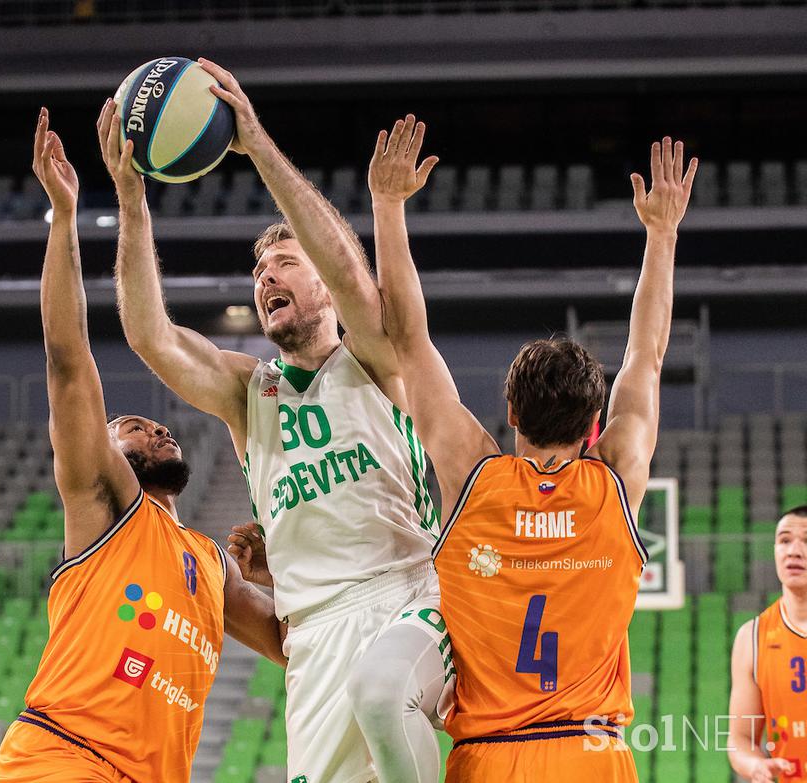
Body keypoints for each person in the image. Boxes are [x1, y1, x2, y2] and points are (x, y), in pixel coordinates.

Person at [100, 61, 453, 783]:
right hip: (313, 634)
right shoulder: (246, 391)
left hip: (408, 593)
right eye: (259, 273)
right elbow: (149, 334)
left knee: (386, 697)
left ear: (320, 280)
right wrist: (131, 195)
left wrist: (257, 145)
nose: (266, 279)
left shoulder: (377, 354)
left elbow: (357, 276)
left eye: (285, 263)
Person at [369, 116, 697, 780]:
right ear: (595, 423)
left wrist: (387, 207)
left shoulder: (473, 474)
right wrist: (661, 235)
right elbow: (648, 355)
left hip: (490, 758)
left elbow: (408, 341)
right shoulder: (617, 478)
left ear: (511, 413)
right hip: (592, 753)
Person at [0, 107, 285, 783]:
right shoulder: (107, 505)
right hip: (64, 758)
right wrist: (66, 218)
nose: (156, 427)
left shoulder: (212, 563)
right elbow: (68, 361)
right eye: (131, 427)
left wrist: (290, 575)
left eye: (155, 424)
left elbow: (292, 645)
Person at [729, 506, 807, 782]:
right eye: (785, 540)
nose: (794, 551)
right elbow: (740, 738)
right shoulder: (752, 637)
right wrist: (755, 765)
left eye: (806, 541)